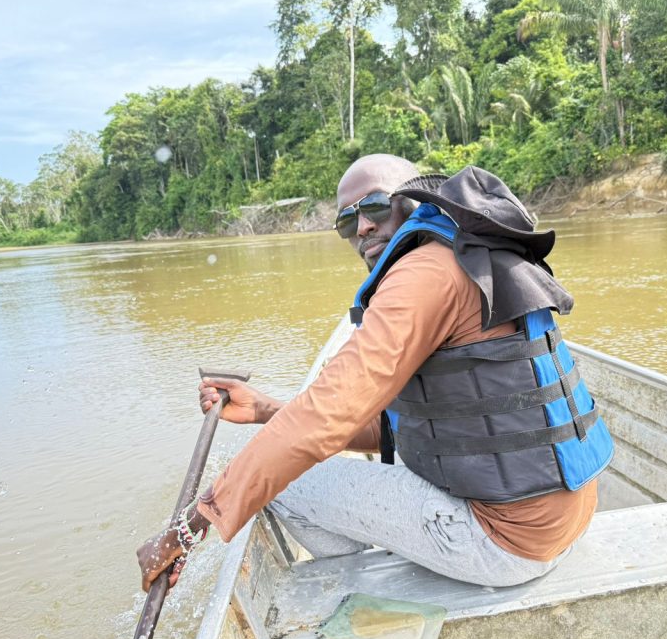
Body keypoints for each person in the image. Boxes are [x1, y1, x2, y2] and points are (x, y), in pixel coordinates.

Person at [137, 153, 612, 591]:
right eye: (347, 220)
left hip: (504, 544)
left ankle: (361, 588)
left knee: (282, 483)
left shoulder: (423, 273)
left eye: (376, 207)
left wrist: (188, 528)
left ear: (415, 201)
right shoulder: (466, 250)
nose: (363, 226)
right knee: (285, 461)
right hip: (565, 525)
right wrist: (266, 410)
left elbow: (323, 417)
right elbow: (398, 428)